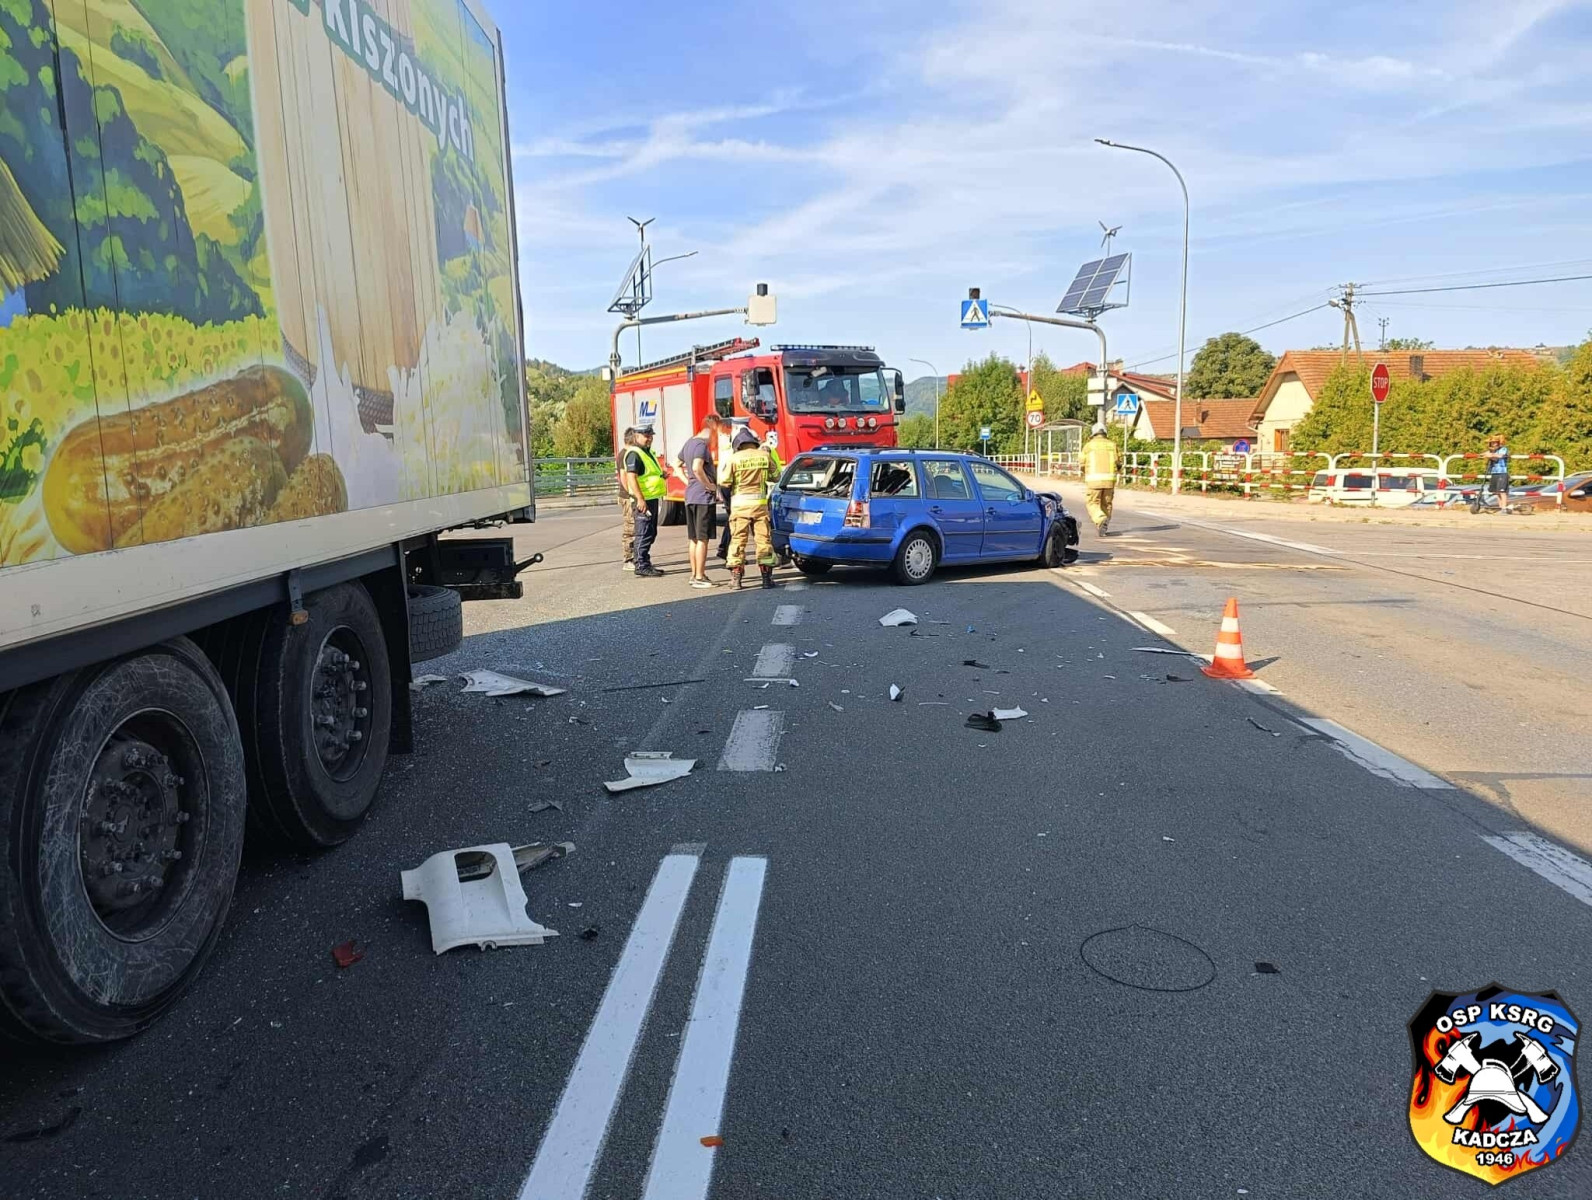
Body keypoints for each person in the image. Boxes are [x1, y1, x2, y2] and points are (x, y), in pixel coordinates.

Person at [720, 426, 778, 589]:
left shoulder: (734, 458)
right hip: (760, 506)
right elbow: (776, 477)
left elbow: (724, 481)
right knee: (764, 541)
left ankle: (736, 579)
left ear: (738, 444)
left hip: (740, 507)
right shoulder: (765, 456)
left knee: (738, 541)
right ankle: (766, 578)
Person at [680, 414, 723, 588]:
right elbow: (697, 467)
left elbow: (676, 464)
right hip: (702, 498)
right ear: (713, 427)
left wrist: (688, 482)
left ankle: (694, 574)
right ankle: (699, 577)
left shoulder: (689, 443)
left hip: (691, 496)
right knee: (703, 539)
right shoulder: (700, 446)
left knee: (694, 538)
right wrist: (710, 486)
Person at [622, 425, 666, 576]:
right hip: (643, 500)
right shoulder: (634, 453)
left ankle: (644, 562)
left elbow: (647, 473)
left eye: (651, 435)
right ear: (636, 436)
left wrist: (661, 475)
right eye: (646, 436)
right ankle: (641, 565)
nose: (649, 438)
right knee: (644, 532)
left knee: (650, 532)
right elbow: (631, 477)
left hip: (651, 497)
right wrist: (640, 499)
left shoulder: (646, 451)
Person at [1082, 421, 1119, 536]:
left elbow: (1082, 463)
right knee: (1106, 504)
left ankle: (1101, 519)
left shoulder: (1088, 446)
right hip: (1109, 482)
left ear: (1093, 433)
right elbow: (1119, 463)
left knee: (1092, 503)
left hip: (1093, 481)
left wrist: (1085, 471)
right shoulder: (1112, 445)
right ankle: (1103, 526)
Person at [616, 427, 636, 571]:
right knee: (630, 528)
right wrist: (631, 494)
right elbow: (624, 477)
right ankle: (628, 559)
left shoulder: (627, 453)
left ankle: (636, 558)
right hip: (628, 497)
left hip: (629, 496)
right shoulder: (625, 454)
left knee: (635, 527)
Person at [1486, 435, 1511, 512]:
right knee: (1497, 492)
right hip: (1494, 472)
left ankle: (1504, 508)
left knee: (1502, 491)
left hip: (1502, 472)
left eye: (1495, 442)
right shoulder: (1492, 451)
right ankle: (1501, 507)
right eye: (1492, 443)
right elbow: (1493, 458)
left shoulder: (1503, 449)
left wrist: (1491, 455)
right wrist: (1488, 455)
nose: (1493, 444)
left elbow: (1500, 456)